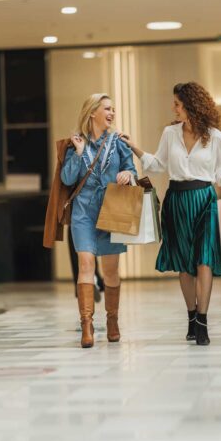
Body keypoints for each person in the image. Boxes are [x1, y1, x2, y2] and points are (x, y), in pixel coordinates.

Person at [120, 82, 221, 346]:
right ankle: (190, 316)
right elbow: (157, 165)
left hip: (204, 201)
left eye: (177, 103)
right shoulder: (170, 133)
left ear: (191, 105)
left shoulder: (216, 137)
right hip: (176, 201)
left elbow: (220, 171)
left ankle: (202, 321)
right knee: (185, 264)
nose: (174, 108)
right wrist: (134, 148)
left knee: (204, 259)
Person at [61, 93, 137, 348]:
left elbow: (132, 170)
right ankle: (87, 324)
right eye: (107, 108)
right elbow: (68, 178)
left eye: (113, 109)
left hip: (112, 211)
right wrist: (81, 153)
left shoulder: (119, 143)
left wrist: (127, 172)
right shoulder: (77, 143)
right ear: (92, 112)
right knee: (85, 264)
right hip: (83, 214)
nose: (112, 113)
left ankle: (112, 321)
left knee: (111, 270)